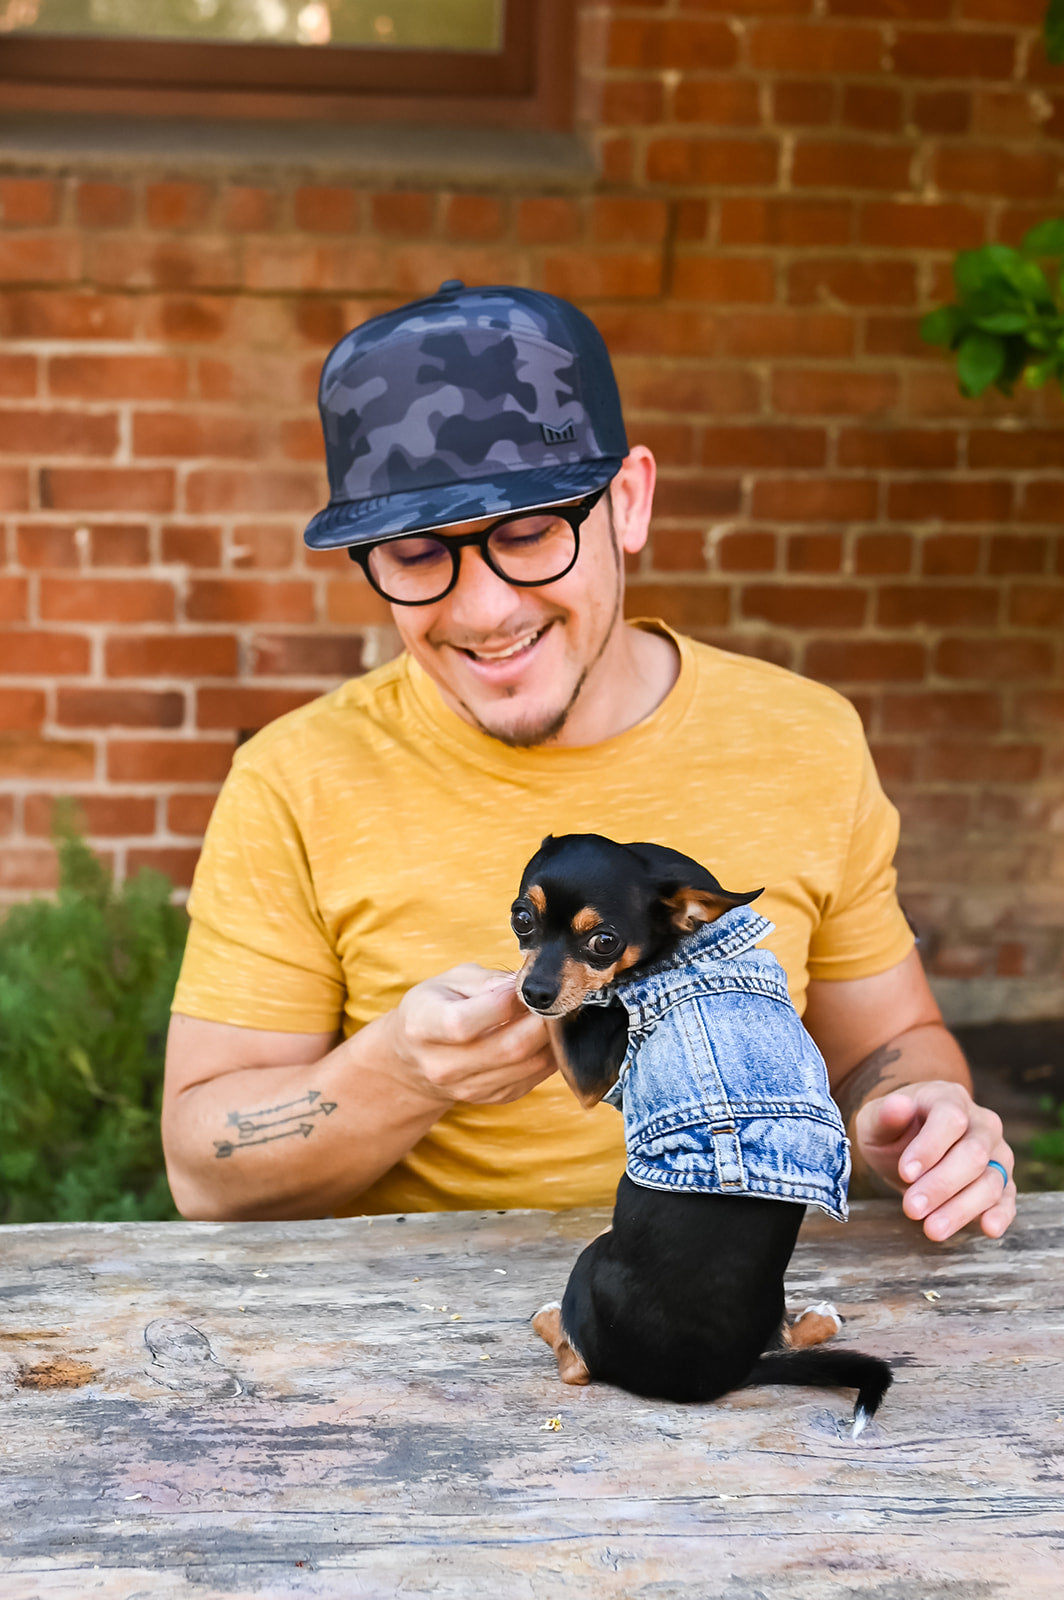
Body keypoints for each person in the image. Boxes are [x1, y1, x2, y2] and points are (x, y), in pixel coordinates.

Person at [162, 280, 1015, 1243]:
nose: (484, 611)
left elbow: (889, 1045)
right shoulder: (294, 779)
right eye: (417, 555)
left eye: (530, 533)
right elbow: (204, 1172)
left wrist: (923, 1119)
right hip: (416, 1318)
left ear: (631, 503)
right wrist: (400, 1073)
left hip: (741, 1299)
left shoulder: (806, 737)